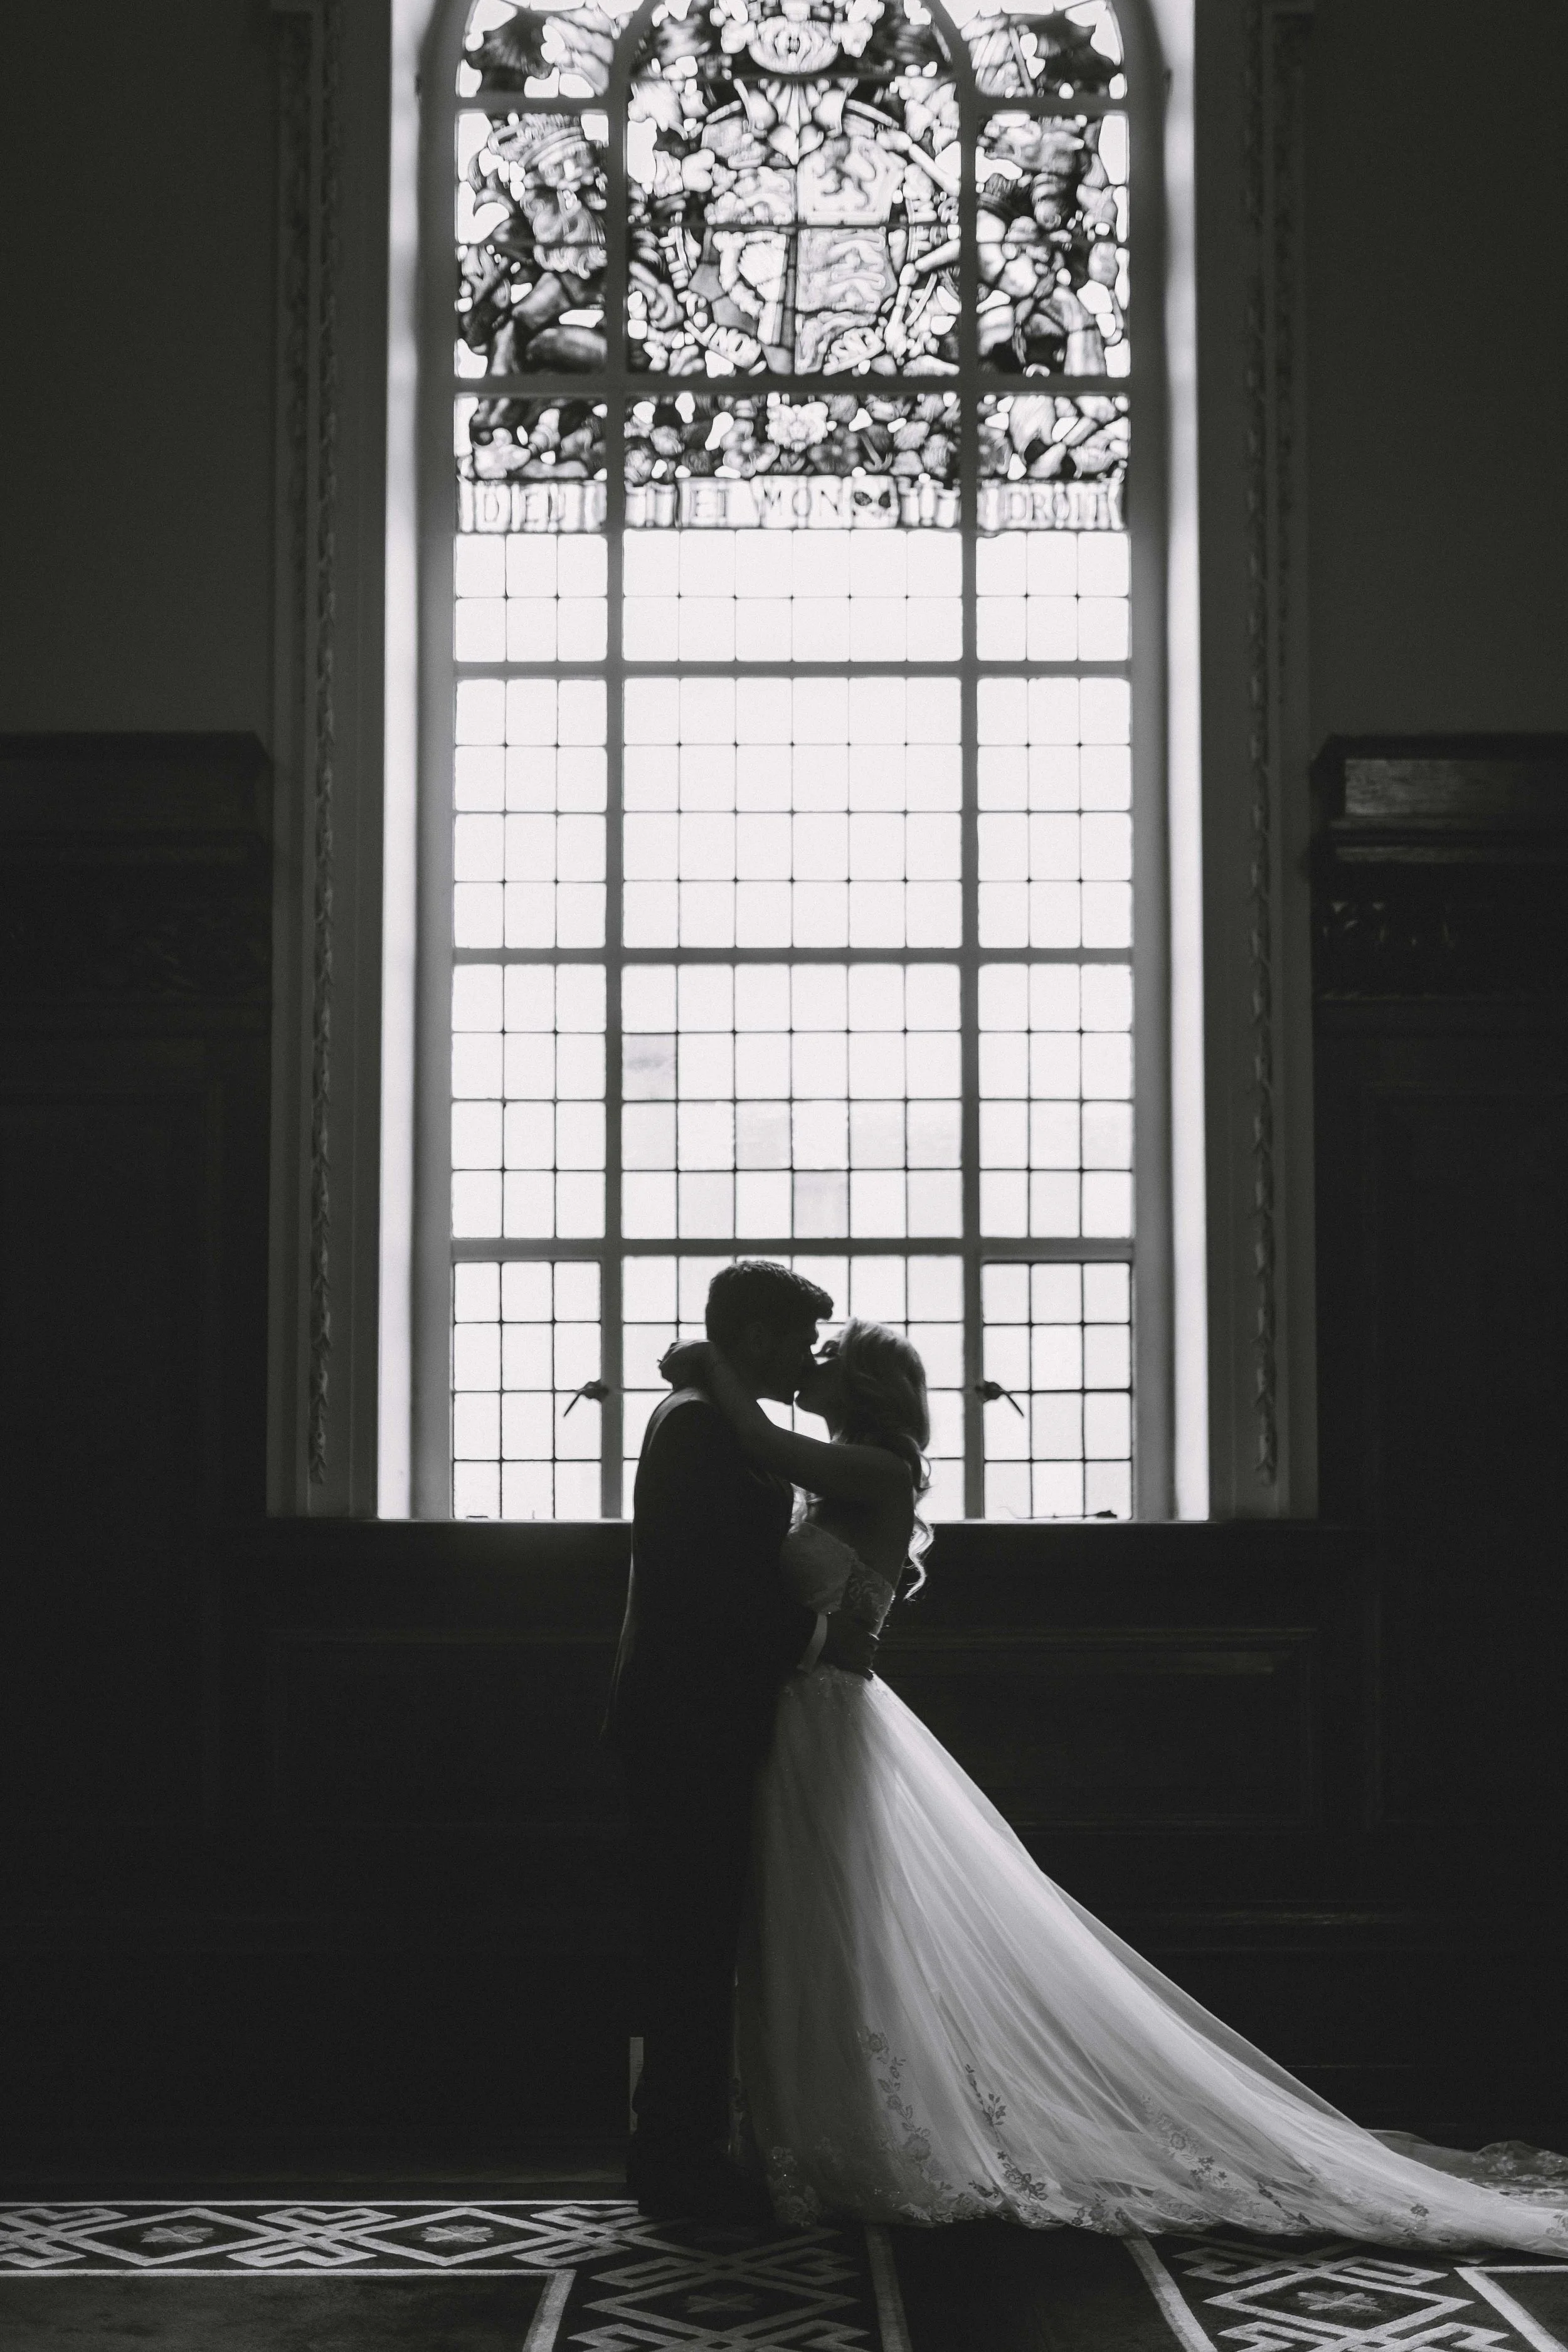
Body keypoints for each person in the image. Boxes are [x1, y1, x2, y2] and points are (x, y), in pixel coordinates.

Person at [661, 1318, 1568, 2252]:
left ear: (860, 1387)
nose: (807, 1367)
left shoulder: (878, 1472)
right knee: (808, 1922)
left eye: (825, 1361)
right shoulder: (846, 1464)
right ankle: (808, 2122)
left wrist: (715, 1369)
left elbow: (767, 1446)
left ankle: (843, 2132)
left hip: (830, 1720)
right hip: (798, 1720)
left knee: (834, 1920)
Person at [605, 1260, 878, 2223]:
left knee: (698, 1937)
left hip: (701, 1716)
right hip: (688, 1723)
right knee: (689, 1939)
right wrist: (819, 1638)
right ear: (757, 1338)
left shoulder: (710, 1416)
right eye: (800, 1339)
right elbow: (710, 1590)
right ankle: (677, 2160)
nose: (809, 1357)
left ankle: (679, 2142)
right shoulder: (697, 1428)